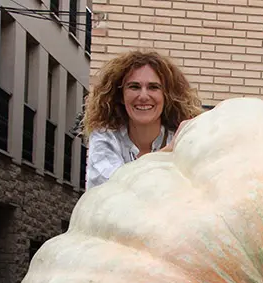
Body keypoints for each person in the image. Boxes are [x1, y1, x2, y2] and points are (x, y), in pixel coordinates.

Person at [83, 50, 202, 189]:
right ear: (121, 96)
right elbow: (113, 189)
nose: (143, 96)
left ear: (167, 96)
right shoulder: (105, 138)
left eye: (153, 87)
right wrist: (166, 153)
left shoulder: (182, 141)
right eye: (134, 87)